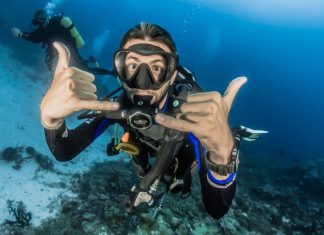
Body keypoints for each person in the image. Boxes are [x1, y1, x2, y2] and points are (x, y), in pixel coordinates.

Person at [39, 22, 266, 220]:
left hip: (182, 162)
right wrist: (51, 120)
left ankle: (234, 134)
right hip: (149, 162)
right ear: (120, 70)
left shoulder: (190, 117)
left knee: (183, 177)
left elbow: (217, 210)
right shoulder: (117, 106)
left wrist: (222, 155)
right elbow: (64, 151)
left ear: (171, 74)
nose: (143, 80)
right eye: (132, 65)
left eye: (157, 67)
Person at [11, 9, 113, 76]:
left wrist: (20, 34)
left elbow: (37, 37)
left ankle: (111, 73)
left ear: (45, 16)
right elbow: (38, 36)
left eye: (41, 16)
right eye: (38, 17)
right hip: (64, 51)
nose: (39, 20)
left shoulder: (52, 26)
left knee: (85, 70)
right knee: (73, 68)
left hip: (69, 49)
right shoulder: (47, 27)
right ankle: (90, 61)